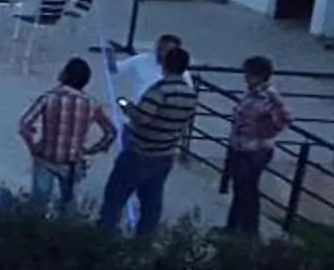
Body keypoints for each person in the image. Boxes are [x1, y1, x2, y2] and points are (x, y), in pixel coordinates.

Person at [96, 42, 197, 235]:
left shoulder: (159, 91)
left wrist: (126, 106)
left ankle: (104, 236)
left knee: (115, 195)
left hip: (140, 150)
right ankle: (144, 240)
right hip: (165, 153)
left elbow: (143, 117)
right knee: (152, 202)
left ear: (165, 65)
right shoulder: (189, 94)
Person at [18, 57, 116, 209]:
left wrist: (33, 147)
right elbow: (110, 132)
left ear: (64, 75)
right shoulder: (91, 104)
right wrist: (92, 149)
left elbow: (25, 124)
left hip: (46, 158)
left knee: (38, 204)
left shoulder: (48, 98)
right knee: (69, 206)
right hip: (72, 163)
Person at [222, 55, 294, 237]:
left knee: (247, 191)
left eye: (248, 74)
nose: (245, 77)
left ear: (260, 75)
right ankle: (235, 227)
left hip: (254, 149)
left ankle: (247, 230)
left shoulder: (268, 95)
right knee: (241, 189)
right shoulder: (253, 93)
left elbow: (286, 116)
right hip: (242, 146)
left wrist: (264, 129)